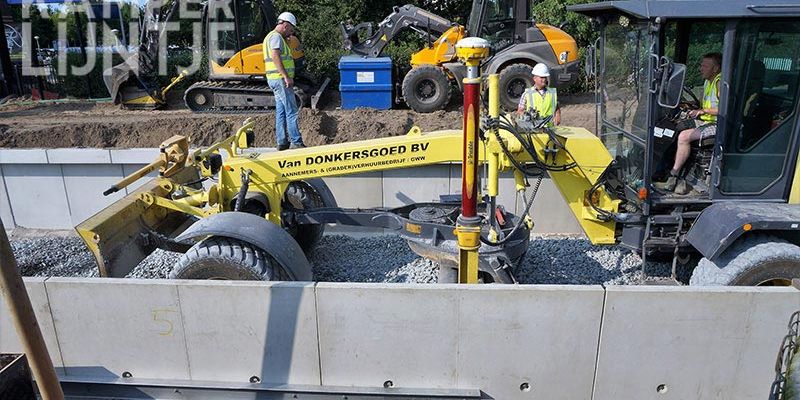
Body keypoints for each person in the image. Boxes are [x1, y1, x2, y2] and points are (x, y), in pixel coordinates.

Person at [657, 52, 722, 194]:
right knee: (674, 127)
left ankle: (675, 175)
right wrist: (687, 104)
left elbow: (724, 108)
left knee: (684, 137)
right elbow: (701, 103)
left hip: (719, 124)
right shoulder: (707, 82)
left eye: (705, 66)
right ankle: (667, 168)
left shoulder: (720, 82)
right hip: (705, 120)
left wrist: (702, 111)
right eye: (701, 65)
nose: (701, 68)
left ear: (715, 69)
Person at [263, 11, 305, 150]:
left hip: (274, 79)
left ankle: (282, 142)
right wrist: (286, 76)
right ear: (285, 25)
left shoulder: (272, 37)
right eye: (291, 29)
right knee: (292, 110)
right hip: (280, 79)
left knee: (281, 111)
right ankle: (296, 142)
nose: (291, 33)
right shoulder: (276, 37)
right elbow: (275, 56)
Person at [517, 63, 561, 127]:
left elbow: (556, 108)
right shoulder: (527, 94)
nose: (544, 80)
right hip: (534, 130)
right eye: (541, 77)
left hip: (549, 129)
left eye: (545, 77)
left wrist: (558, 116)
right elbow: (520, 111)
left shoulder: (552, 93)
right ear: (534, 78)